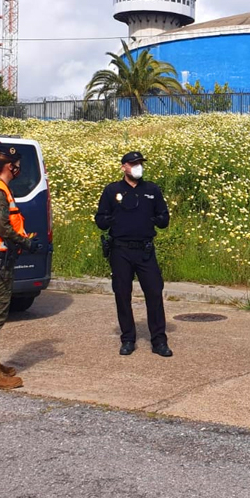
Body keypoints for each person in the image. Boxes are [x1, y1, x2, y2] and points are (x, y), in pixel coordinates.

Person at [0, 145, 42, 390]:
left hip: (0, 259)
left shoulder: (1, 189)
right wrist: (27, 243)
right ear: (8, 165)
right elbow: (3, 228)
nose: (18, 168)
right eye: (16, 164)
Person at [94, 151, 173, 357]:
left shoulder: (152, 189)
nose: (138, 167)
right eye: (133, 164)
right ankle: (128, 338)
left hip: (145, 250)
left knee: (154, 293)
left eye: (140, 163)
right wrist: (112, 220)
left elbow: (164, 218)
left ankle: (159, 341)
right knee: (122, 294)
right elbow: (100, 219)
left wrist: (157, 220)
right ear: (124, 167)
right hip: (121, 250)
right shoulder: (112, 190)